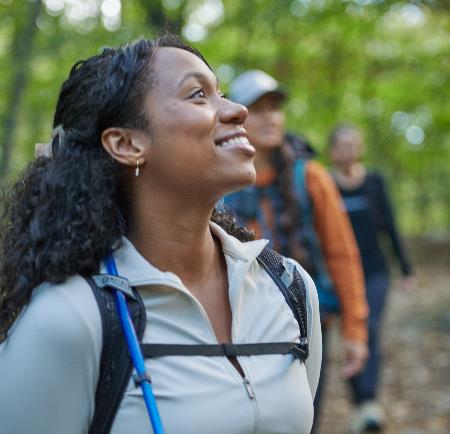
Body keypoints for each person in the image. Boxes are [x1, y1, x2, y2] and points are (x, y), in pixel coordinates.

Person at [0, 36, 322, 434]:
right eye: (198, 94)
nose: (238, 111)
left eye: (221, 93)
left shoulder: (289, 289)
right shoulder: (71, 319)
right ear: (127, 144)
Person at [225, 70, 369, 430]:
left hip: (309, 326)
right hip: (239, 329)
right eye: (258, 109)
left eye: (275, 107)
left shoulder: (311, 176)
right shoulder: (219, 178)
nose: (271, 117)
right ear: (235, 115)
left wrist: (356, 329)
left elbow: (342, 253)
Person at [329, 123, 415, 433]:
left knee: (371, 329)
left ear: (361, 148)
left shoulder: (375, 181)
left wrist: (405, 269)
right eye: (342, 145)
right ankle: (359, 403)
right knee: (353, 333)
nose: (349, 150)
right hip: (340, 277)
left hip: (376, 272)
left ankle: (369, 402)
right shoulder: (326, 184)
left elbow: (390, 226)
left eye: (354, 144)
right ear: (332, 151)